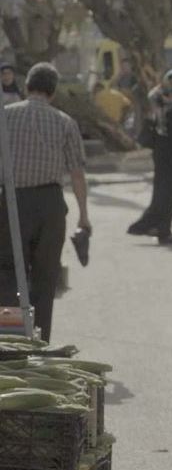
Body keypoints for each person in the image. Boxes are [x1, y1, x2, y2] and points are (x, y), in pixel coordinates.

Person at [0, 63, 91, 342]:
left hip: (12, 203)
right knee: (45, 277)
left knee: (8, 274)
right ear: (53, 92)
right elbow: (77, 174)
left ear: (27, 87)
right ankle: (40, 343)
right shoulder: (65, 122)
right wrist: (83, 216)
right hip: (50, 206)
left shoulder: (5, 116)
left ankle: (11, 343)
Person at [127, 70, 172, 245]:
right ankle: (160, 229)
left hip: (161, 153)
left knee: (162, 193)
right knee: (169, 195)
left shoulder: (158, 98)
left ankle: (156, 226)